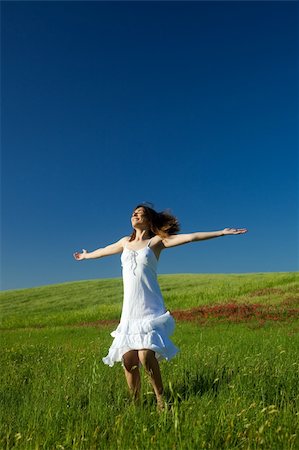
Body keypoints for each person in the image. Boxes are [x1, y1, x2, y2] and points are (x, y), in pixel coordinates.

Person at [73, 204, 247, 409]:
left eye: (140, 213)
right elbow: (102, 251)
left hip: (149, 308)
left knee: (145, 355)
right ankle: (135, 405)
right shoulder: (124, 242)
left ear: (149, 220)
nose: (134, 215)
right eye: (133, 213)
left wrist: (222, 233)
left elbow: (190, 237)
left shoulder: (155, 242)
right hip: (130, 312)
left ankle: (161, 400)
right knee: (128, 360)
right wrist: (86, 255)